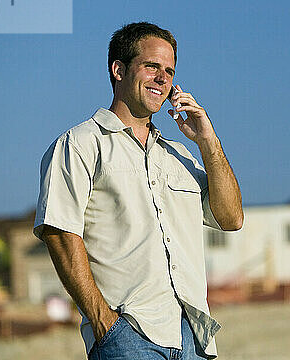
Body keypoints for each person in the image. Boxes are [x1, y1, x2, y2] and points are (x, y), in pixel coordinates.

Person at [33, 22, 243, 359]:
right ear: (118, 70)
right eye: (152, 67)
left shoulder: (181, 156)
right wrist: (104, 322)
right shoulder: (80, 144)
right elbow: (59, 232)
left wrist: (208, 141)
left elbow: (231, 218)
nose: (163, 78)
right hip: (128, 337)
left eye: (169, 71)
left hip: (193, 337)